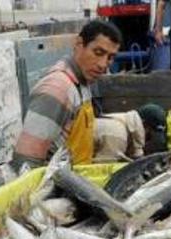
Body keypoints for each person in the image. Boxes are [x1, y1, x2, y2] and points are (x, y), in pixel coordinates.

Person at [13, 20, 121, 167]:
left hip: (76, 178)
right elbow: (26, 163)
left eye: (110, 57)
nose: (103, 64)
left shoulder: (82, 83)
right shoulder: (57, 89)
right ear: (78, 44)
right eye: (98, 53)